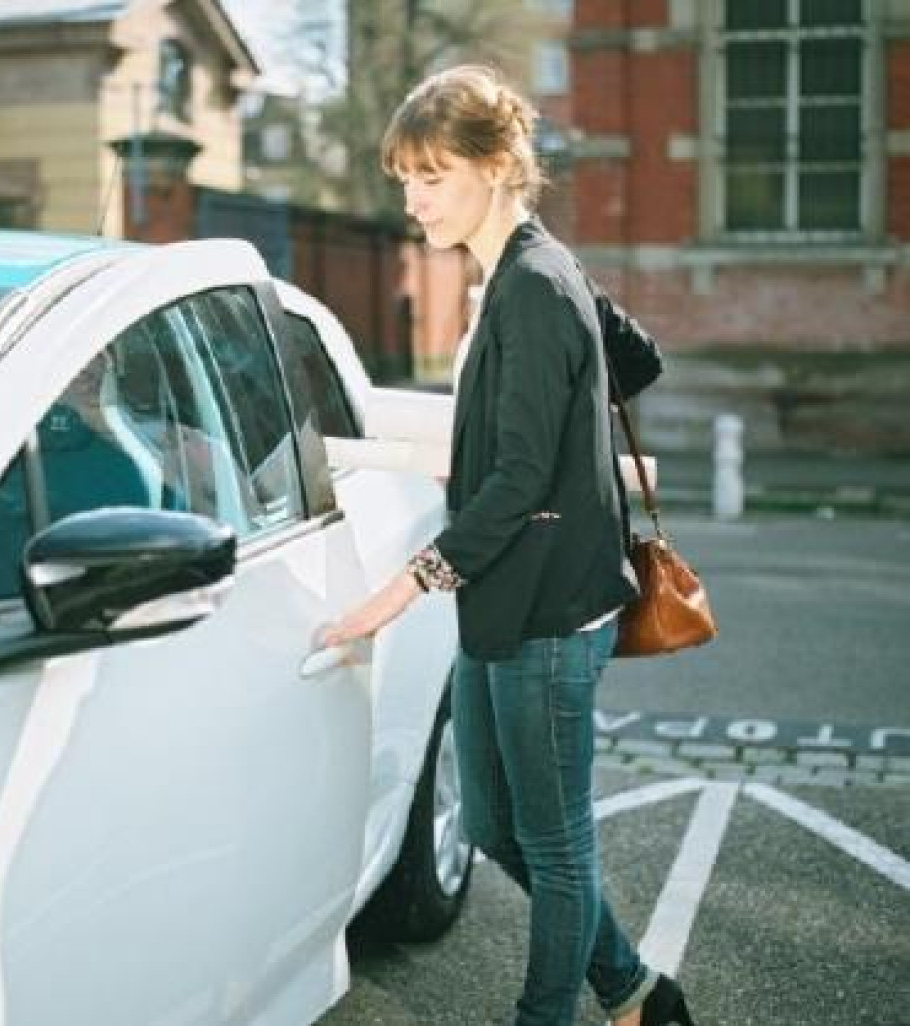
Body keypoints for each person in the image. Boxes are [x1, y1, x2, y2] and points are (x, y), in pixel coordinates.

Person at [319, 65, 694, 1026]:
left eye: (432, 176)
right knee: (491, 825)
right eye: (405, 178)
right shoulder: (529, 267)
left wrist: (396, 591)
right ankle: (636, 992)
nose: (413, 199)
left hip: (549, 616)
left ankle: (553, 1013)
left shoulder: (531, 283)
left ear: (495, 167)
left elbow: (520, 478)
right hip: (505, 602)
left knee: (557, 846)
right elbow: (632, 358)